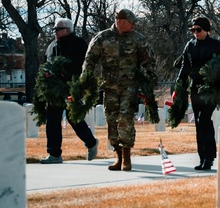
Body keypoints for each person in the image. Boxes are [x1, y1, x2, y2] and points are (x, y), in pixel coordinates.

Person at [82, 9, 156, 171]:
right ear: (121, 21)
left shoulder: (137, 39)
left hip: (129, 86)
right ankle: (119, 157)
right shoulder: (102, 38)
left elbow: (149, 61)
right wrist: (85, 79)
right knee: (112, 120)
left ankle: (127, 158)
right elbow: (90, 60)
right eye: (132, 21)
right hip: (109, 87)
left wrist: (150, 81)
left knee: (125, 119)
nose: (134, 24)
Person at [39, 18, 99, 164]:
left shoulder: (78, 44)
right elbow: (46, 63)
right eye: (54, 29)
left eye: (58, 29)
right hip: (54, 90)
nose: (55, 32)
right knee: (52, 120)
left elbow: (82, 64)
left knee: (74, 118)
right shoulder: (52, 46)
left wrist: (63, 69)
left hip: (71, 87)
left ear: (67, 30)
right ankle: (54, 154)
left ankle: (91, 142)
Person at [175, 16, 220, 171]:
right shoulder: (190, 45)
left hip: (212, 88)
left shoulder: (216, 46)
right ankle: (202, 157)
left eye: (198, 30)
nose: (195, 33)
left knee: (204, 119)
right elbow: (184, 66)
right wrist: (178, 86)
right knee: (199, 123)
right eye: (193, 30)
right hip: (195, 88)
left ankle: (209, 157)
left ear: (206, 30)